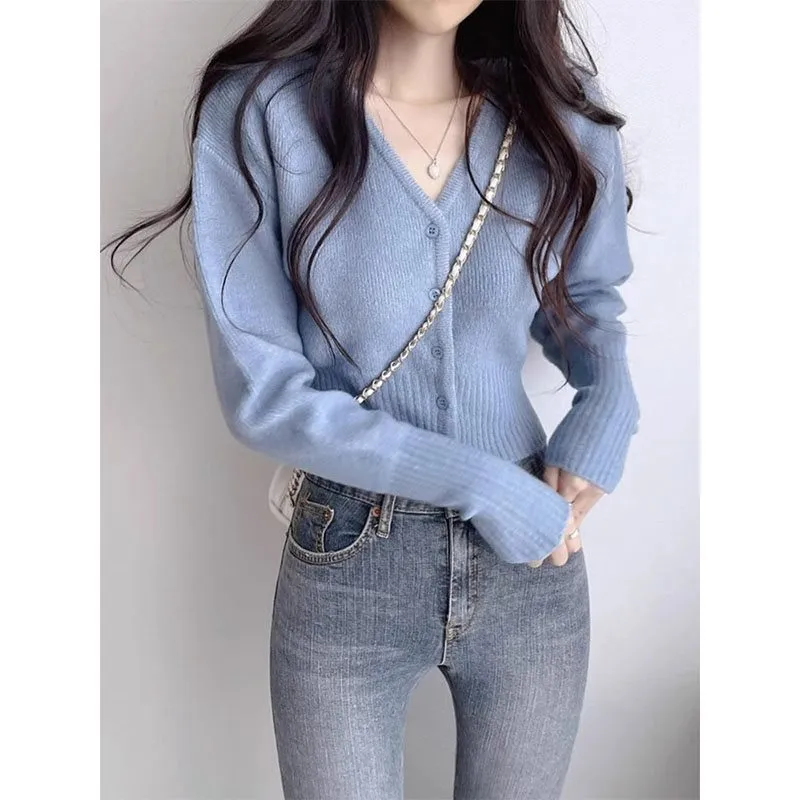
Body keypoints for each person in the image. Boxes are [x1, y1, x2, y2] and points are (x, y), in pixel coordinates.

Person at [105, 0, 639, 797]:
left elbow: (587, 297)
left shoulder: (556, 110)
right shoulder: (266, 113)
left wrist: (609, 404)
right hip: (352, 550)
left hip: (533, 559)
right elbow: (264, 394)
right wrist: (483, 484)